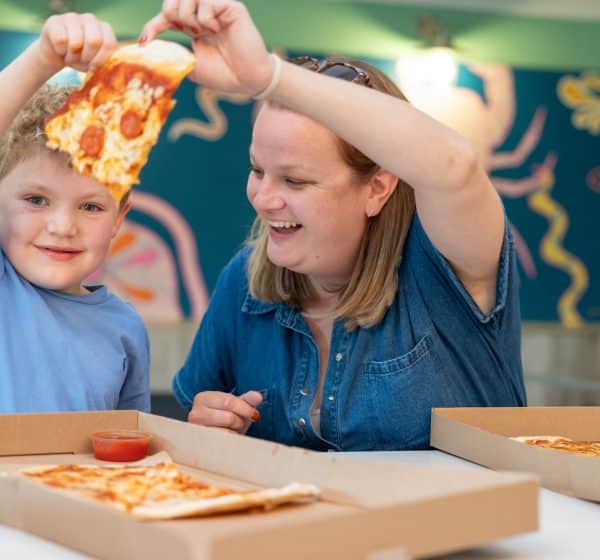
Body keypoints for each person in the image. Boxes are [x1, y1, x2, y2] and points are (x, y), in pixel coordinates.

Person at [141, 0, 526, 450]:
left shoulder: (443, 267)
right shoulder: (244, 282)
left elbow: (455, 164)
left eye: (296, 180)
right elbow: (193, 427)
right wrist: (205, 426)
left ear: (377, 188)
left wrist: (268, 75)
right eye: (257, 170)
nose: (264, 199)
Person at [0, 13, 150, 413]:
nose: (63, 227)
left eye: (90, 206)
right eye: (36, 200)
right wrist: (42, 60)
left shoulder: (126, 329)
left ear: (119, 217)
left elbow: (128, 454)